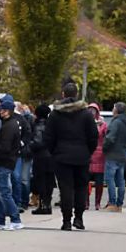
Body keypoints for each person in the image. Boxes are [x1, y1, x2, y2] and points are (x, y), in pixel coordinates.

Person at [44, 82, 99, 231]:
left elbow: (48, 137)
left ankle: (66, 221)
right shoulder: (86, 114)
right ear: (76, 94)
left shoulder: (55, 114)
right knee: (81, 187)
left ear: (63, 94)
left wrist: (54, 152)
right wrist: (88, 151)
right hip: (82, 155)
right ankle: (79, 218)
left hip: (62, 156)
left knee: (66, 188)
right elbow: (93, 136)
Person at [0, 97, 24, 231]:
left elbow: (5, 147)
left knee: (4, 193)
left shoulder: (9, 126)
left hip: (3, 163)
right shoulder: (9, 124)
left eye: (2, 110)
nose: (0, 112)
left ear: (8, 111)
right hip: (3, 163)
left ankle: (15, 219)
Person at [103, 102, 126, 212]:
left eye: (113, 108)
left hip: (112, 154)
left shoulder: (116, 122)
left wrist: (104, 148)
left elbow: (110, 138)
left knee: (110, 179)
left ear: (117, 110)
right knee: (121, 180)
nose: (113, 110)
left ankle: (112, 203)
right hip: (122, 154)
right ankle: (119, 204)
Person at [30, 104, 55, 215]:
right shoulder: (52, 125)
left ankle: (43, 205)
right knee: (49, 182)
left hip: (40, 157)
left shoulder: (38, 125)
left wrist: (29, 145)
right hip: (51, 157)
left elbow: (38, 142)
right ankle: (47, 204)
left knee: (41, 182)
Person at [87, 103, 107, 211]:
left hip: (100, 154)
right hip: (88, 153)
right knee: (85, 180)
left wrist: (100, 125)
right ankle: (86, 202)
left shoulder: (102, 123)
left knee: (99, 181)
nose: (92, 112)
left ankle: (97, 203)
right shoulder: (85, 122)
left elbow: (106, 135)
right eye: (90, 110)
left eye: (94, 110)